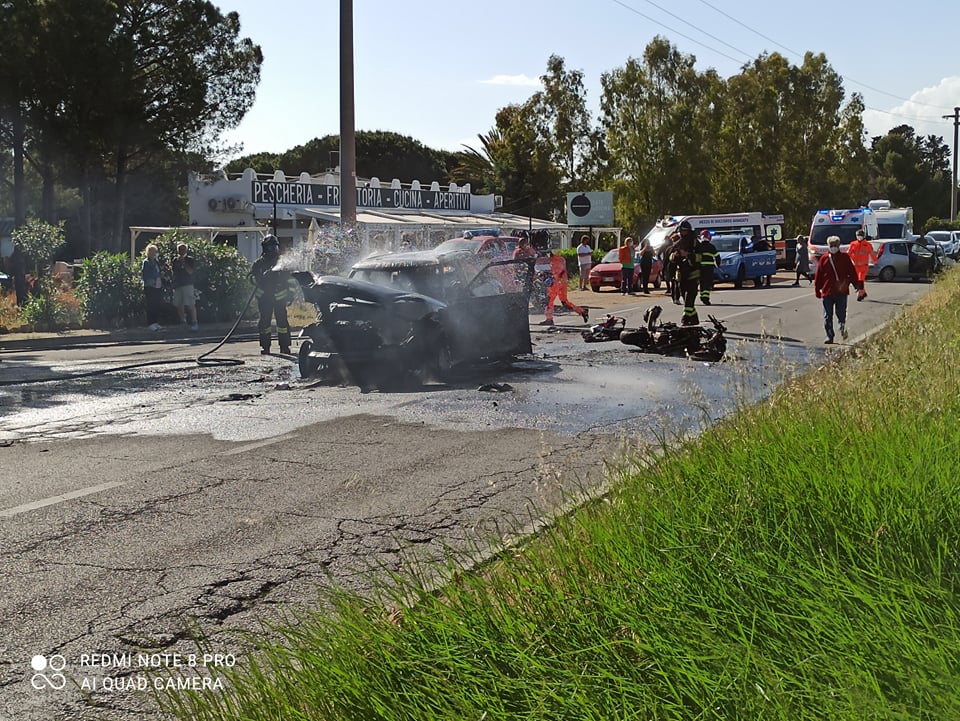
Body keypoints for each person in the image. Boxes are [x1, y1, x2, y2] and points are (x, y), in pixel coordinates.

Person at [250, 235, 296, 354]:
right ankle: (265, 347)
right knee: (264, 323)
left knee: (282, 323)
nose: (272, 249)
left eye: (274, 247)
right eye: (270, 247)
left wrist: (291, 294)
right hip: (264, 298)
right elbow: (250, 278)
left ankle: (284, 346)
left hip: (280, 298)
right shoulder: (258, 264)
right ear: (265, 248)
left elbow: (291, 280)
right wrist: (260, 278)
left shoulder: (282, 263)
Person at [813, 235, 863, 344]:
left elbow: (852, 273)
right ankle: (829, 336)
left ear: (839, 245)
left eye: (835, 245)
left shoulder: (845, 258)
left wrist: (857, 286)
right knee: (827, 316)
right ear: (828, 246)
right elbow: (819, 276)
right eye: (831, 245)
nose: (833, 247)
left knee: (841, 314)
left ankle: (842, 328)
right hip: (827, 292)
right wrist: (817, 290)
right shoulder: (824, 259)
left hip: (841, 292)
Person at [540, 250, 588, 326]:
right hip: (563, 282)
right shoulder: (561, 259)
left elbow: (556, 273)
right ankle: (582, 311)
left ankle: (549, 319)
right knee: (564, 302)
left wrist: (547, 276)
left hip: (556, 282)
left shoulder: (554, 261)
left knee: (549, 301)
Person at [670, 220, 701, 325]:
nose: (683, 233)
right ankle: (694, 319)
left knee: (689, 301)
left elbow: (701, 257)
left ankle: (685, 320)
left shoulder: (695, 242)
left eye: (685, 231)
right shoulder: (678, 243)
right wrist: (675, 255)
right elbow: (670, 258)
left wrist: (688, 255)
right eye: (682, 231)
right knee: (686, 301)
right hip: (681, 276)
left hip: (693, 275)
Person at [172, 243, 199, 330]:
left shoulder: (190, 259)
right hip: (178, 285)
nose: (181, 251)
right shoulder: (175, 260)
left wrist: (183, 262)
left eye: (183, 249)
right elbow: (174, 272)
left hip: (188, 284)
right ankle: (183, 321)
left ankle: (194, 322)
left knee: (191, 304)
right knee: (179, 304)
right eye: (179, 249)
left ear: (186, 250)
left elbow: (190, 271)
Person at [847, 229, 876, 300]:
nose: (859, 237)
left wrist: (875, 261)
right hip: (855, 266)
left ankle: (860, 294)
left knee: (861, 280)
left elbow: (872, 253)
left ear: (863, 236)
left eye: (861, 235)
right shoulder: (853, 244)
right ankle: (863, 292)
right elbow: (849, 253)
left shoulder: (867, 245)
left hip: (864, 266)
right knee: (856, 280)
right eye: (858, 235)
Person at [141, 244, 164, 332]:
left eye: (155, 251)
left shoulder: (157, 262)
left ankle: (155, 322)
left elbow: (159, 271)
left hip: (158, 286)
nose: (154, 253)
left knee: (156, 305)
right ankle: (150, 323)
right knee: (150, 305)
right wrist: (157, 275)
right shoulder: (146, 262)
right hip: (150, 286)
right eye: (152, 252)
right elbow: (147, 274)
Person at [696, 230, 719, 305]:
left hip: (700, 268)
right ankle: (705, 298)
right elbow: (717, 256)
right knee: (708, 283)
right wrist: (718, 265)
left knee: (702, 282)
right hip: (709, 268)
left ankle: (702, 296)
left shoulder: (698, 246)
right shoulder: (711, 246)